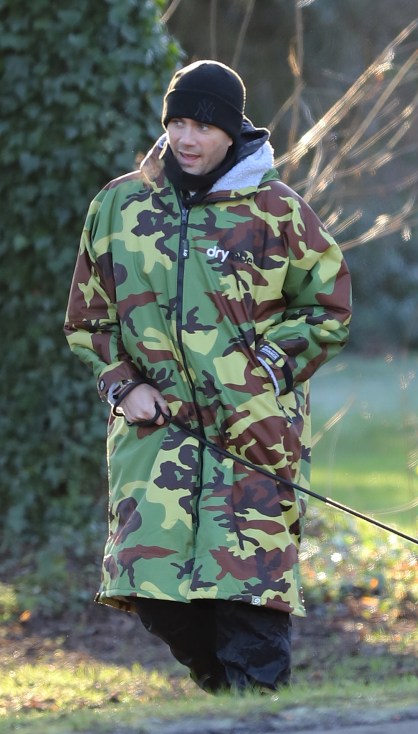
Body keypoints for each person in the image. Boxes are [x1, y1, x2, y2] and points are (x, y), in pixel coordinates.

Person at [64, 59, 352, 692]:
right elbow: (88, 318)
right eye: (177, 123)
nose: (187, 138)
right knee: (156, 596)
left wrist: (265, 371)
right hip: (156, 439)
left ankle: (250, 703)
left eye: (202, 125)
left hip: (252, 441)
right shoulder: (119, 206)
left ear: (232, 131)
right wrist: (123, 384)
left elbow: (328, 308)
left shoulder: (277, 211)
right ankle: (222, 688)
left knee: (250, 601)